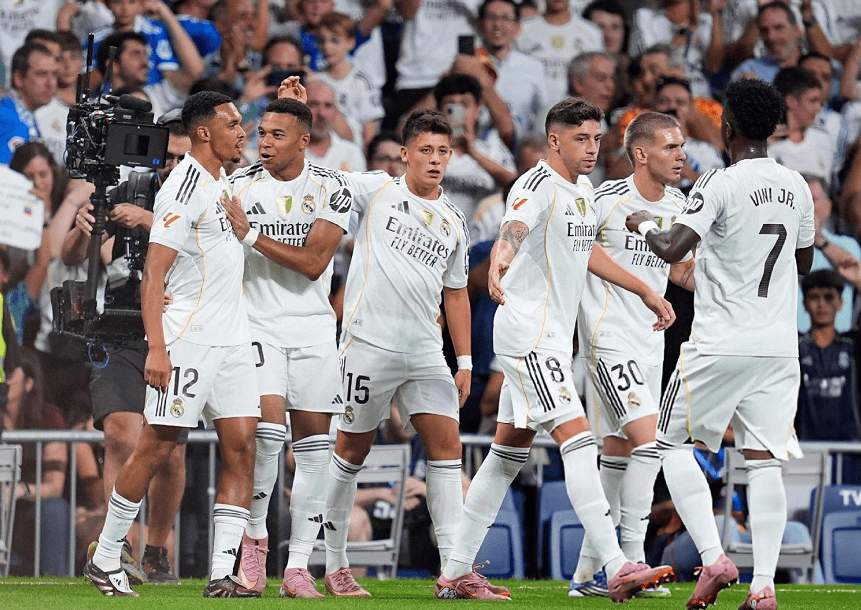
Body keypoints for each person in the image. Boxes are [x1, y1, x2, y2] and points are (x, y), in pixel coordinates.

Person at [437, 98, 675, 601]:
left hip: (549, 339)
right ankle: (615, 567)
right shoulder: (536, 183)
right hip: (530, 336)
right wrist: (500, 257)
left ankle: (456, 572)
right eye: (581, 139)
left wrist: (644, 289)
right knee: (579, 441)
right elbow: (515, 227)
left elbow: (586, 251)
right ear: (554, 140)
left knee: (505, 456)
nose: (592, 148)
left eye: (596, 138)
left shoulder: (582, 189)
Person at [625, 77, 815, 610]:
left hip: (719, 341)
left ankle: (714, 557)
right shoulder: (797, 185)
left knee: (669, 444)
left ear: (727, 128)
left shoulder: (719, 182)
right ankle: (764, 587)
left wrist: (643, 223)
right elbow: (803, 262)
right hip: (778, 346)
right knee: (765, 463)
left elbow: (671, 246)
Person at [83, 91, 261, 598]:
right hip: (188, 338)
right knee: (156, 446)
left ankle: (222, 572)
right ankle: (107, 555)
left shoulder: (223, 180)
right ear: (205, 132)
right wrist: (158, 349)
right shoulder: (183, 188)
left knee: (242, 448)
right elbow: (153, 274)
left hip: (233, 339)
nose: (242, 132)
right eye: (232, 124)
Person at [322, 109, 472, 597]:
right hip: (368, 343)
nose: (435, 159)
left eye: (442, 151)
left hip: (426, 349)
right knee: (350, 450)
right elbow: (320, 177)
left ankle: (453, 571)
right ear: (405, 154)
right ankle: (336, 564)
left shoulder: (454, 220)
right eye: (425, 150)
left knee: (447, 448)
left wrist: (465, 361)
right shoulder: (377, 189)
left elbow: (456, 294)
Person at [222, 90, 354, 598]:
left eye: (278, 135)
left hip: (315, 329)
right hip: (258, 326)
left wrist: (250, 235)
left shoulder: (330, 186)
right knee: (267, 436)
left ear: (304, 141)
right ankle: (254, 545)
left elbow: (315, 263)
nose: (266, 143)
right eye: (262, 133)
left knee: (316, 452)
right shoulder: (239, 185)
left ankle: (298, 566)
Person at [61, 112, 193, 584]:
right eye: (166, 157)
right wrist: (82, 227)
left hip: (179, 332)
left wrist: (151, 220)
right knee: (120, 433)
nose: (172, 167)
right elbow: (71, 257)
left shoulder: (208, 194)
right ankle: (119, 546)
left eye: (181, 159)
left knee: (169, 451)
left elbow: (214, 241)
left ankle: (157, 548)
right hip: (119, 327)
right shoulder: (127, 190)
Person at [571, 111, 693, 597]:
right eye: (670, 147)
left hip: (650, 344)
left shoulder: (681, 205)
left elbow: (681, 271)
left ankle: (587, 576)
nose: (681, 156)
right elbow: (580, 251)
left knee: (618, 454)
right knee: (651, 442)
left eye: (682, 147)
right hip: (607, 339)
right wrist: (643, 290)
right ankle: (633, 560)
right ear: (641, 154)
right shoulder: (605, 199)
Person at [4, 347, 70, 576]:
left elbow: (54, 485)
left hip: (30, 508)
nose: (2, 379)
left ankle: (56, 585)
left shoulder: (48, 417)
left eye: (9, 373)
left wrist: (19, 490)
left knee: (55, 509)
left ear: (29, 382)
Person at [797, 269, 861, 484]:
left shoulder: (853, 345)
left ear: (840, 303)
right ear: (804, 303)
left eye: (829, 297)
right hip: (805, 448)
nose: (821, 305)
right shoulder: (794, 346)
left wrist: (857, 280)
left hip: (851, 450)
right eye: (814, 297)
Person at [0, 42, 57, 164]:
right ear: (19, 78)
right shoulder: (10, 120)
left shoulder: (22, 114)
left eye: (54, 74)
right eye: (42, 74)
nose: (51, 83)